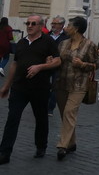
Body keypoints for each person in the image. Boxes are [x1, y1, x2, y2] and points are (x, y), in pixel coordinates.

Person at [0, 14, 61, 163]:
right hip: (19, 87)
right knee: (12, 119)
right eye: (28, 23)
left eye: (33, 24)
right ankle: (4, 153)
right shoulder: (21, 42)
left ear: (40, 26)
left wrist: (40, 67)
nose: (29, 26)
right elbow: (15, 64)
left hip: (39, 88)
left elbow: (58, 61)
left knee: (41, 119)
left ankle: (41, 146)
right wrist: (7, 86)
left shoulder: (48, 42)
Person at [54, 16, 98, 160]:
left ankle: (62, 146)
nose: (66, 28)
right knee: (64, 114)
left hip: (79, 85)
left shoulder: (89, 45)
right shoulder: (63, 44)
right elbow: (58, 60)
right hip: (62, 83)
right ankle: (71, 142)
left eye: (69, 25)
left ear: (76, 28)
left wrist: (82, 64)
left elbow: (96, 65)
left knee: (69, 112)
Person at [45, 16, 68, 116]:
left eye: (55, 23)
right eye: (52, 23)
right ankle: (43, 103)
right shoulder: (46, 35)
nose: (53, 25)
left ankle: (50, 107)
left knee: (55, 87)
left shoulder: (67, 37)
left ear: (62, 25)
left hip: (59, 65)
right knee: (44, 85)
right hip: (46, 65)